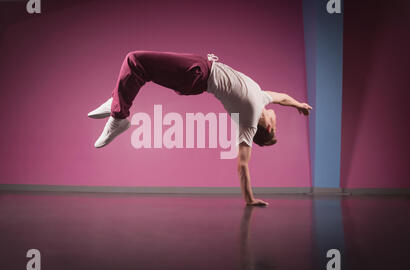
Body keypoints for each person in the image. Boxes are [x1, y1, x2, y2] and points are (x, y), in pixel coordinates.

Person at [88, 51, 312, 207]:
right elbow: (282, 97)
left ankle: (119, 116)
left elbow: (242, 165)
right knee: (138, 67)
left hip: (197, 75)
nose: (276, 114)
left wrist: (249, 199)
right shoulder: (262, 98)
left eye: (277, 125)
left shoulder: (250, 117)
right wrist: (298, 105)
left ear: (269, 126)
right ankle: (118, 103)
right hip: (202, 66)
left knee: (135, 60)